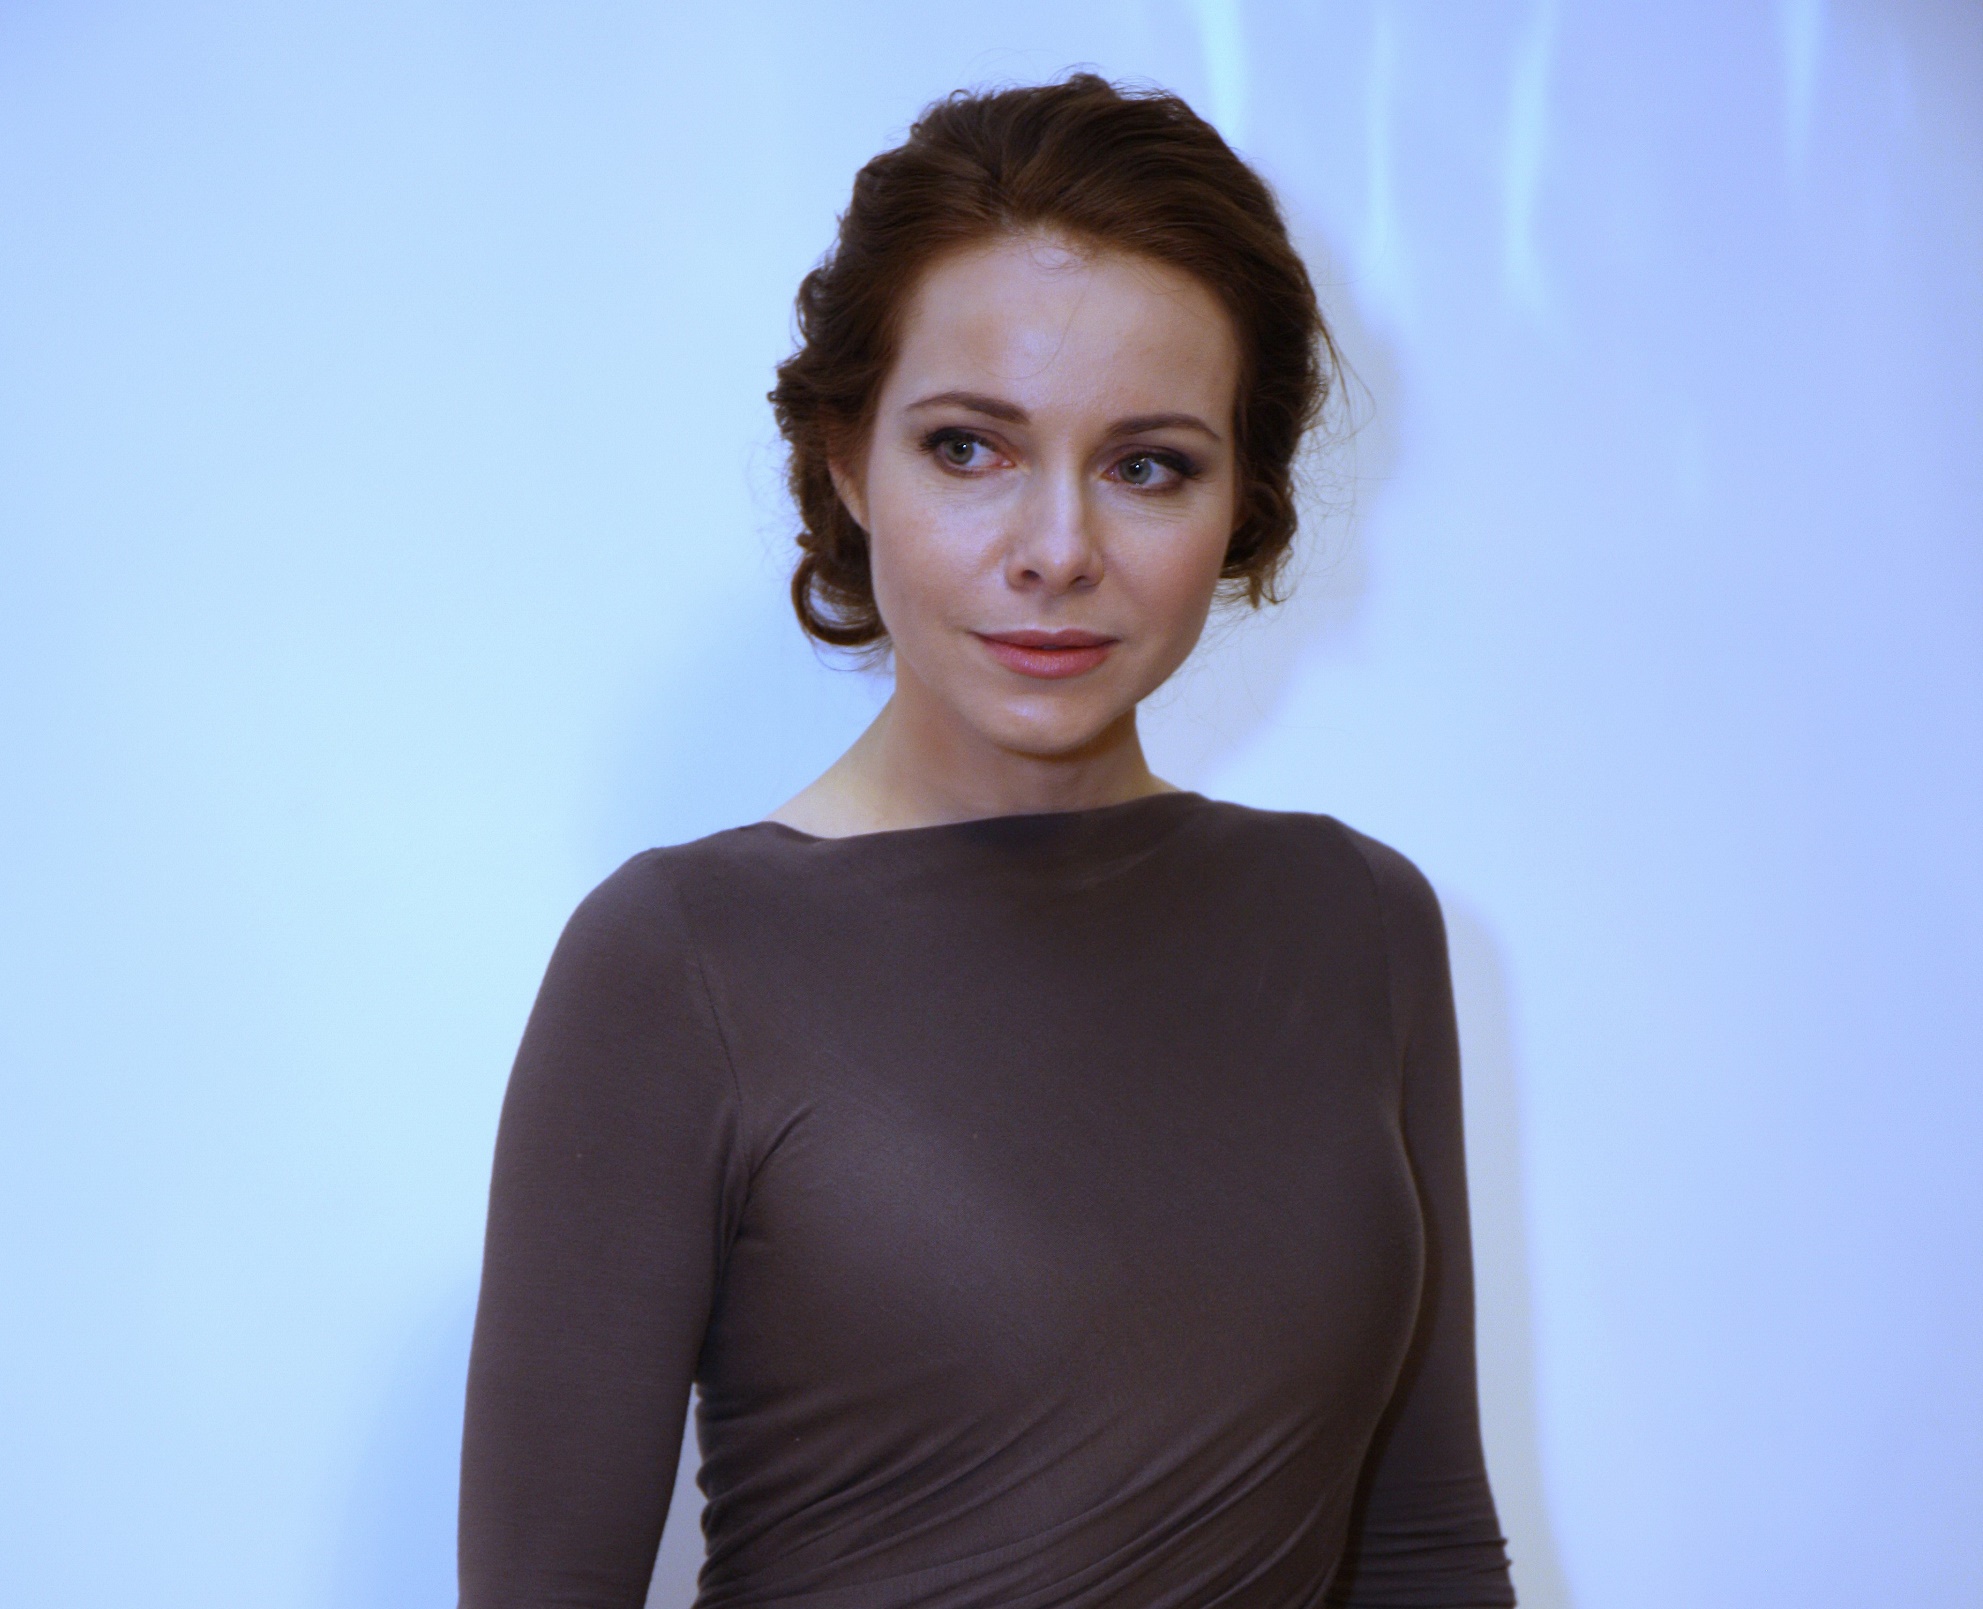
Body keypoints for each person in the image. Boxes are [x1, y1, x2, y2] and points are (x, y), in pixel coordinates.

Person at [458, 75, 1516, 1609]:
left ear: (1244, 497)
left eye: (1148, 464)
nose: (1058, 549)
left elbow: (1427, 1553)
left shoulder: (1357, 920)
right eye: (970, 448)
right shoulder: (680, 960)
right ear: (845, 458)